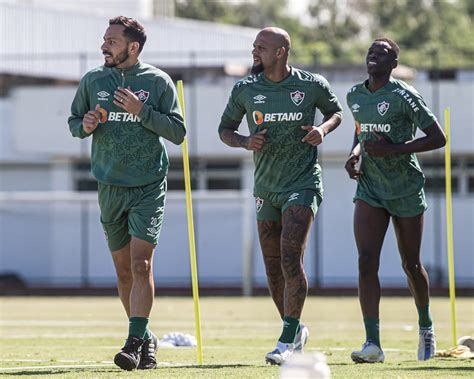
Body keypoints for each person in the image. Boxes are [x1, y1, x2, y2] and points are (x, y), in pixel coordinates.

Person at [218, 27, 342, 365]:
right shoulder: (245, 89)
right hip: (265, 188)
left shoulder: (310, 85)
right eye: (254, 46)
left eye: (261, 47)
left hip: (302, 183)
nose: (254, 52)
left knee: (290, 256)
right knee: (273, 267)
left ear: (281, 52)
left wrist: (322, 129)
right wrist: (244, 141)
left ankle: (286, 340)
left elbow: (336, 112)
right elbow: (224, 130)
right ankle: (296, 328)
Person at [68, 16, 186, 371]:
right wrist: (85, 125)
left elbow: (178, 132)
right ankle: (145, 336)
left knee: (141, 263)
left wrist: (142, 110)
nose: (104, 46)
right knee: (123, 272)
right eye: (104, 40)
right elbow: (74, 122)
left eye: (112, 41)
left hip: (148, 185)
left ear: (133, 47)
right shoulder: (93, 80)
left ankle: (134, 343)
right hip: (109, 187)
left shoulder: (158, 81)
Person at [345, 38, 446, 363]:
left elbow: (438, 138)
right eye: (371, 52)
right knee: (365, 261)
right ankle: (372, 343)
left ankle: (426, 327)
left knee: (411, 264)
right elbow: (361, 131)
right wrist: (355, 153)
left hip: (404, 188)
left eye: (383, 54)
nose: (374, 56)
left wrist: (396, 149)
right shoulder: (355, 95)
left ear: (394, 64)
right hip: (370, 189)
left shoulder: (405, 95)